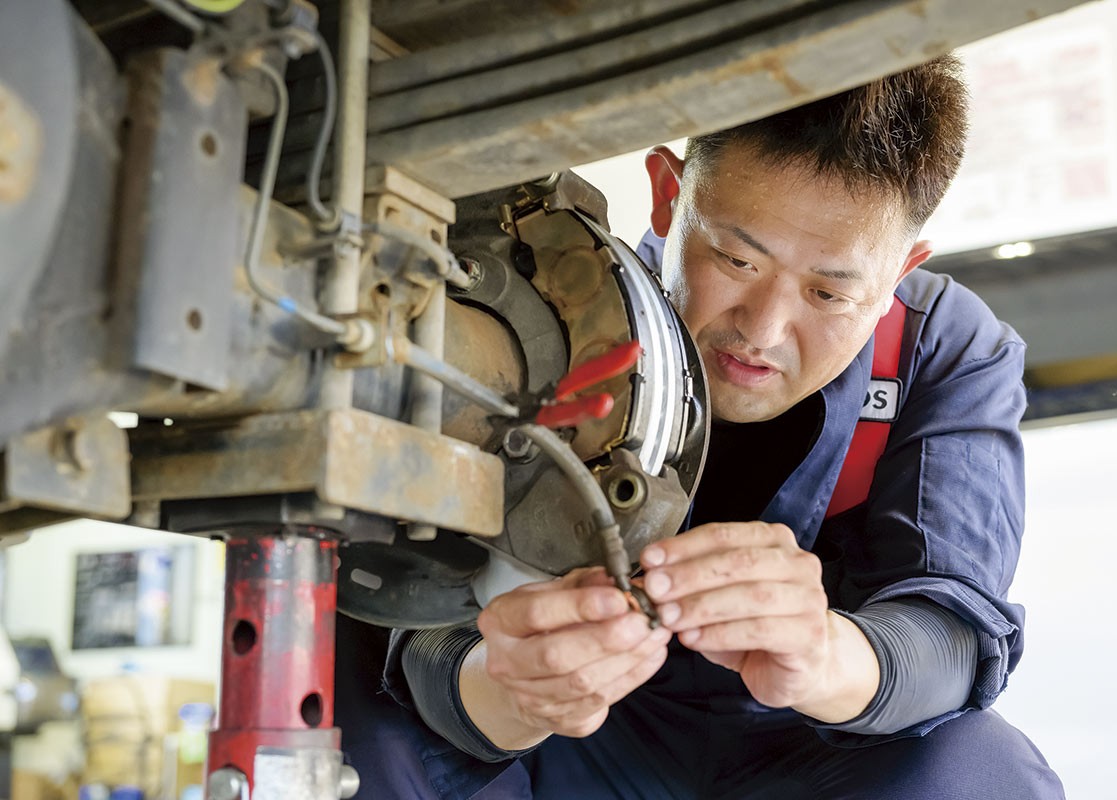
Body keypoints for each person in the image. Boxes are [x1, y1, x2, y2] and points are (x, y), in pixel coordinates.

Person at [334, 54, 1064, 799]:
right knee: (352, 699)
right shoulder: (539, 304)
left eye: (829, 291)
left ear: (898, 273)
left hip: (812, 753)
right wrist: (512, 691)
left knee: (980, 769)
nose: (764, 330)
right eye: (736, 258)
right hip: (563, 751)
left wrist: (822, 655)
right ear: (666, 193)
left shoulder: (944, 350)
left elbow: (949, 635)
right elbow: (416, 617)